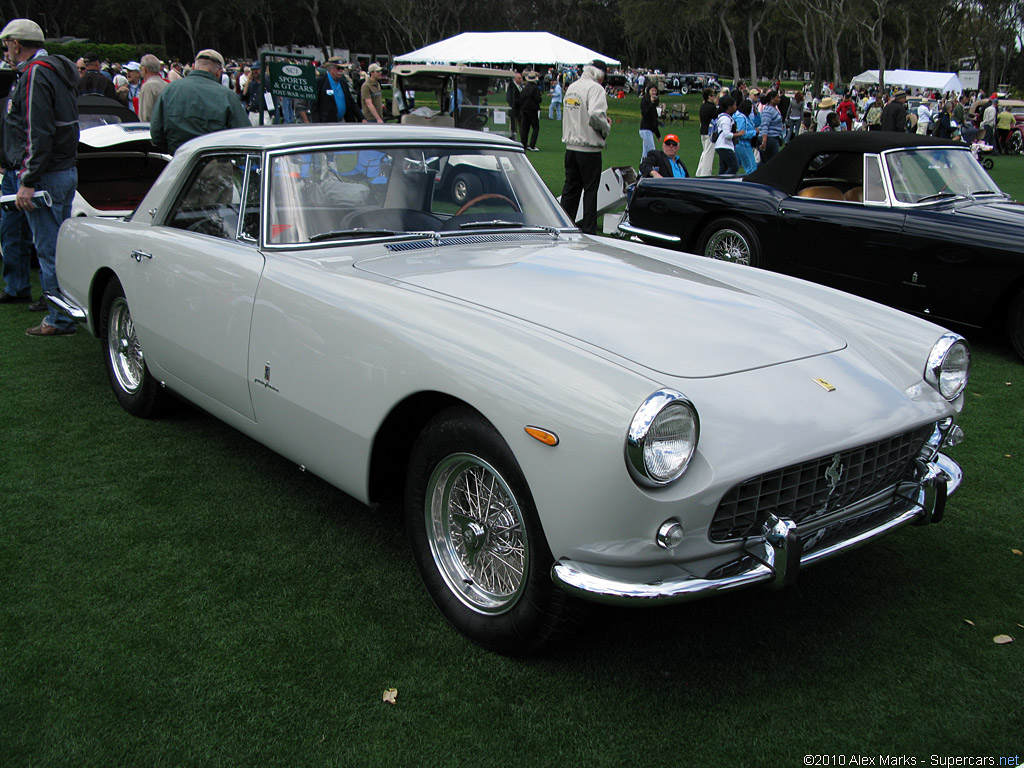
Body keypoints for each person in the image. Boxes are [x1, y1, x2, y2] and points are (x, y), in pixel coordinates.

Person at [0, 18, 80, 336]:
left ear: (17, 45)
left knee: (48, 251)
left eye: (7, 46)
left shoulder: (34, 74)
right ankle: (65, 312)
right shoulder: (56, 69)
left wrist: (29, 180)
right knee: (58, 249)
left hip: (46, 175)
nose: (6, 52)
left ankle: (59, 318)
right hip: (63, 170)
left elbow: (38, 130)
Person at [149, 49, 249, 155]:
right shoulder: (227, 96)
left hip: (179, 161)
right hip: (216, 162)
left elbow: (156, 132)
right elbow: (244, 136)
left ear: (193, 67)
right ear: (219, 72)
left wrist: (173, 152)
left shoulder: (169, 90)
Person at [559, 59, 611, 235]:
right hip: (589, 148)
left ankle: (562, 225)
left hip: (571, 146)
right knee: (590, 191)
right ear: (600, 74)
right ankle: (589, 230)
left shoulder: (572, 87)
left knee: (570, 191)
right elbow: (595, 115)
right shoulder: (596, 88)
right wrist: (606, 127)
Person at [299, 56, 363, 124]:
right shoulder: (320, 82)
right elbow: (314, 106)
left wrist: (361, 118)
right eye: (338, 68)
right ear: (330, 68)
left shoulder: (343, 82)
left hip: (342, 121)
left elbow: (351, 102)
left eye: (342, 68)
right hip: (326, 123)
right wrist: (316, 124)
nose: (341, 71)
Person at [714, 95, 742, 175]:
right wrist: (738, 134)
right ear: (730, 107)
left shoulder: (721, 117)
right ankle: (724, 183)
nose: (736, 107)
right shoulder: (726, 119)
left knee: (724, 168)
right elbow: (727, 135)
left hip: (720, 145)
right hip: (725, 146)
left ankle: (719, 183)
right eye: (734, 105)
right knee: (734, 167)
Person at [137, 53, 168, 121]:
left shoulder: (147, 87)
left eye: (140, 68)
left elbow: (145, 116)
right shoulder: (167, 85)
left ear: (145, 69)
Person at [696, 88, 719, 176]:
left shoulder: (703, 106)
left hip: (703, 131)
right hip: (710, 133)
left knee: (705, 152)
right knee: (709, 154)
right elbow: (716, 116)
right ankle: (705, 174)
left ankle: (700, 172)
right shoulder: (711, 107)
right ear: (709, 97)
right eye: (713, 96)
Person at [758, 90, 784, 163]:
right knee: (772, 162)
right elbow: (765, 126)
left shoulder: (774, 109)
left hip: (774, 137)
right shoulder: (768, 110)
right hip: (770, 138)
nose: (779, 99)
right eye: (777, 97)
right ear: (772, 99)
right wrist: (764, 141)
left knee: (768, 162)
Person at [734, 99, 758, 173]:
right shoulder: (741, 118)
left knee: (734, 166)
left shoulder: (740, 116)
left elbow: (757, 123)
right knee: (751, 167)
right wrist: (754, 132)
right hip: (743, 144)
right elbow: (742, 134)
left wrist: (757, 114)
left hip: (739, 144)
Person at [519, 71, 541, 151]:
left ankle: (523, 144)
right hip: (532, 109)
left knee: (525, 127)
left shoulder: (525, 88)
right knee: (536, 127)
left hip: (524, 109)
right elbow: (538, 99)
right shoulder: (535, 88)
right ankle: (532, 145)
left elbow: (521, 98)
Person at [638, 85, 660, 160]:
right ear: (648, 91)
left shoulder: (654, 103)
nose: (654, 92)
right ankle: (651, 167)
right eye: (652, 91)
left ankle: (642, 170)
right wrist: (651, 103)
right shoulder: (645, 100)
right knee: (652, 150)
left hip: (649, 130)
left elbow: (654, 119)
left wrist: (658, 134)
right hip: (645, 129)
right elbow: (645, 114)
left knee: (645, 151)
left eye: (655, 91)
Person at [506, 71, 523, 138]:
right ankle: (512, 140)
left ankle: (523, 141)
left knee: (522, 127)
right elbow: (509, 99)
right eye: (519, 78)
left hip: (521, 111)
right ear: (515, 79)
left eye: (521, 78)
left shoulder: (520, 87)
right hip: (514, 110)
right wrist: (521, 101)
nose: (521, 80)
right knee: (513, 128)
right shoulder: (511, 87)